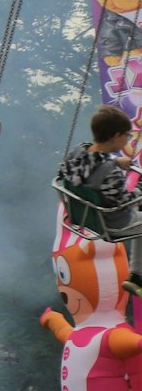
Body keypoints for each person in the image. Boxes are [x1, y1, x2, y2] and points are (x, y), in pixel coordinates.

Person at [60, 104, 142, 292]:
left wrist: (114, 160)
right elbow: (124, 203)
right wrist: (139, 188)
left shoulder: (76, 153)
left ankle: (138, 275)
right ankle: (138, 274)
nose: (128, 140)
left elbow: (91, 166)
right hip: (114, 223)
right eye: (127, 136)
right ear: (116, 136)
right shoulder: (109, 172)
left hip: (84, 216)